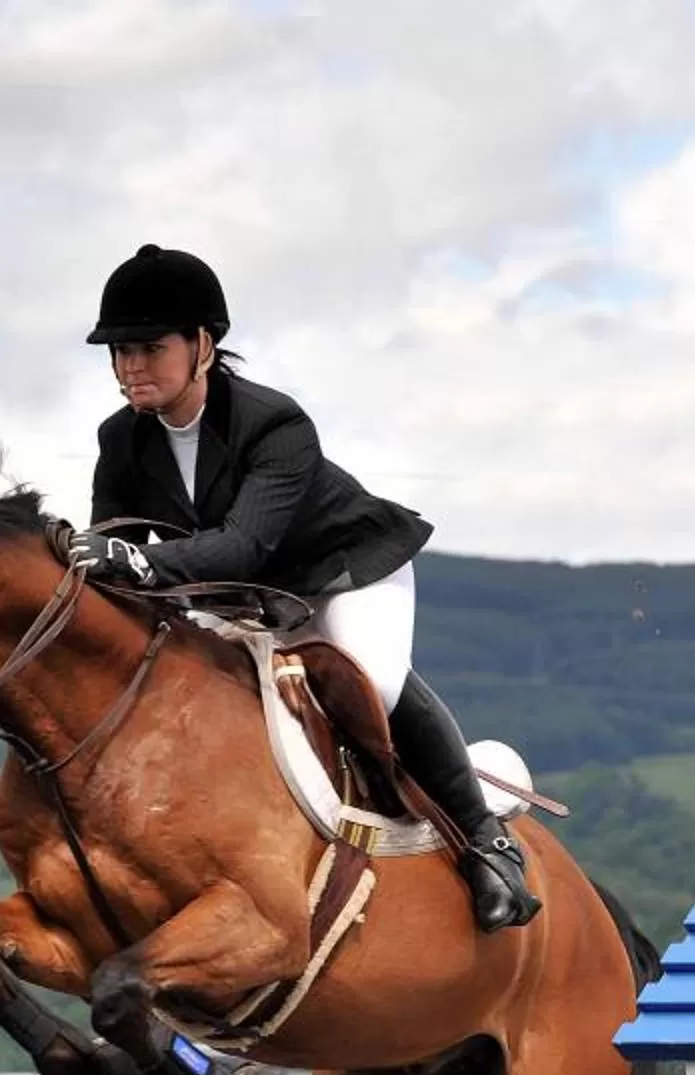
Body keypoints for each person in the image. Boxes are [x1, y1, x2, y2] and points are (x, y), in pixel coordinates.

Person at [64, 243, 539, 932]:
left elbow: (241, 544)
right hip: (245, 598)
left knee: (366, 679)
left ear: (202, 345)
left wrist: (134, 565)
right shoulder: (121, 439)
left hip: (342, 573)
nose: (130, 365)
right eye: (119, 351)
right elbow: (119, 548)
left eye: (148, 347)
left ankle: (487, 841)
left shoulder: (273, 423)